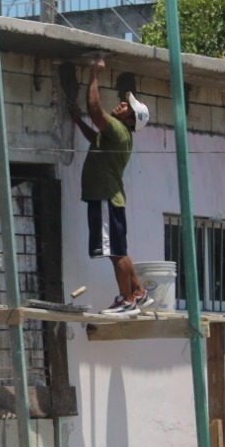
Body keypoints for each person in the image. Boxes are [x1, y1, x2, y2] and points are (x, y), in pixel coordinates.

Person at [71, 58, 153, 316]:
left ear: (131, 120)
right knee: (119, 250)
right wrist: (77, 121)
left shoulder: (118, 129)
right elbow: (93, 137)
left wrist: (94, 74)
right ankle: (138, 292)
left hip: (105, 197)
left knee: (114, 252)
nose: (121, 104)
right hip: (111, 198)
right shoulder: (118, 133)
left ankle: (126, 300)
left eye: (127, 107)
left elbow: (95, 109)